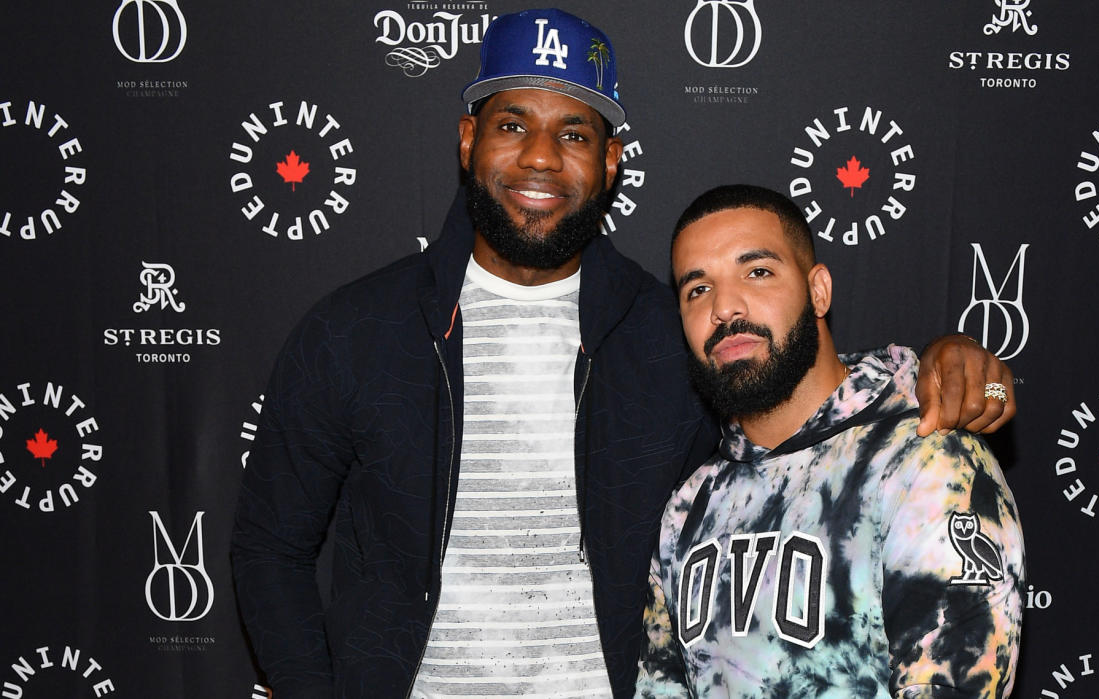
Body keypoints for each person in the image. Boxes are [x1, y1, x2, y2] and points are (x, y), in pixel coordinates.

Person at [230, 9, 1016, 698]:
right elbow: (271, 547)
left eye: (573, 133)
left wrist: (939, 360)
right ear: (469, 139)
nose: (541, 156)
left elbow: (796, 415)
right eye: (512, 124)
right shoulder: (354, 330)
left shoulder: (665, 326)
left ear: (609, 164)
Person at [635, 184, 1025, 697]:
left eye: (757, 271)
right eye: (697, 289)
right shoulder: (688, 506)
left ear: (818, 291)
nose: (725, 307)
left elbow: (958, 682)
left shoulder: (924, 456)